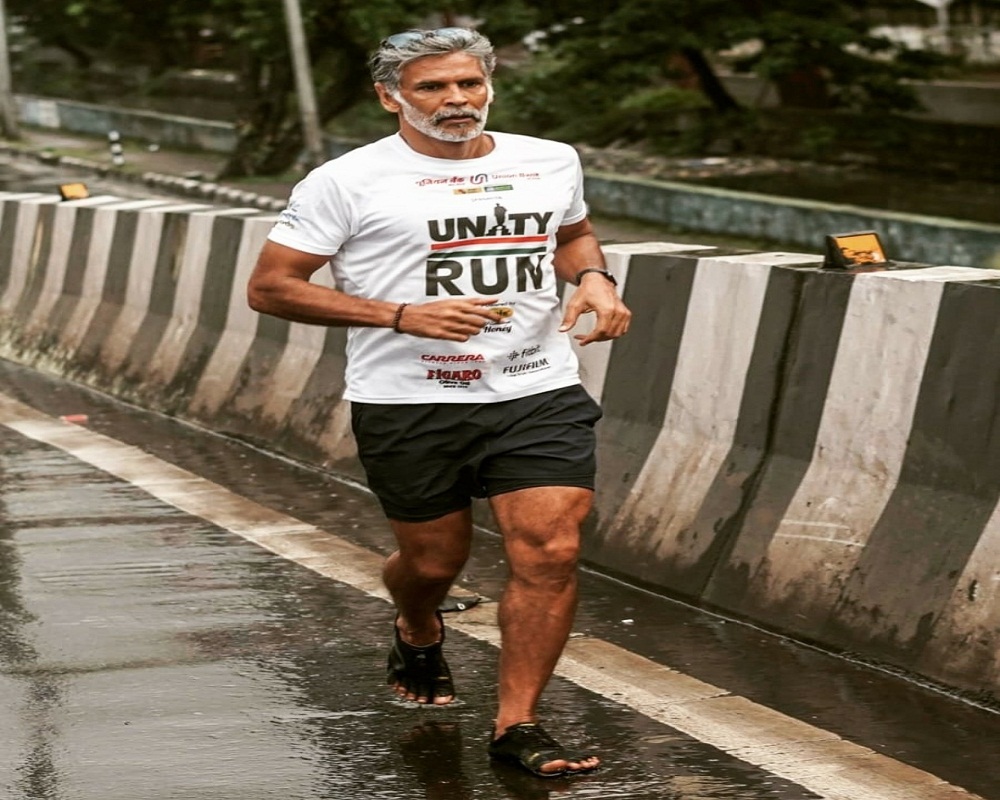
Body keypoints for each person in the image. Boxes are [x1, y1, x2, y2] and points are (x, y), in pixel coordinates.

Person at [247, 26, 630, 778]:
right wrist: (398, 314)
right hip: (409, 399)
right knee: (433, 560)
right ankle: (417, 621)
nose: (456, 101)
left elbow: (575, 234)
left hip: (535, 385)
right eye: (432, 88)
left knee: (552, 547)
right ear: (391, 96)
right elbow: (270, 287)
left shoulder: (549, 161)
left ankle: (517, 725)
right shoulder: (345, 180)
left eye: (469, 84)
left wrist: (595, 279)